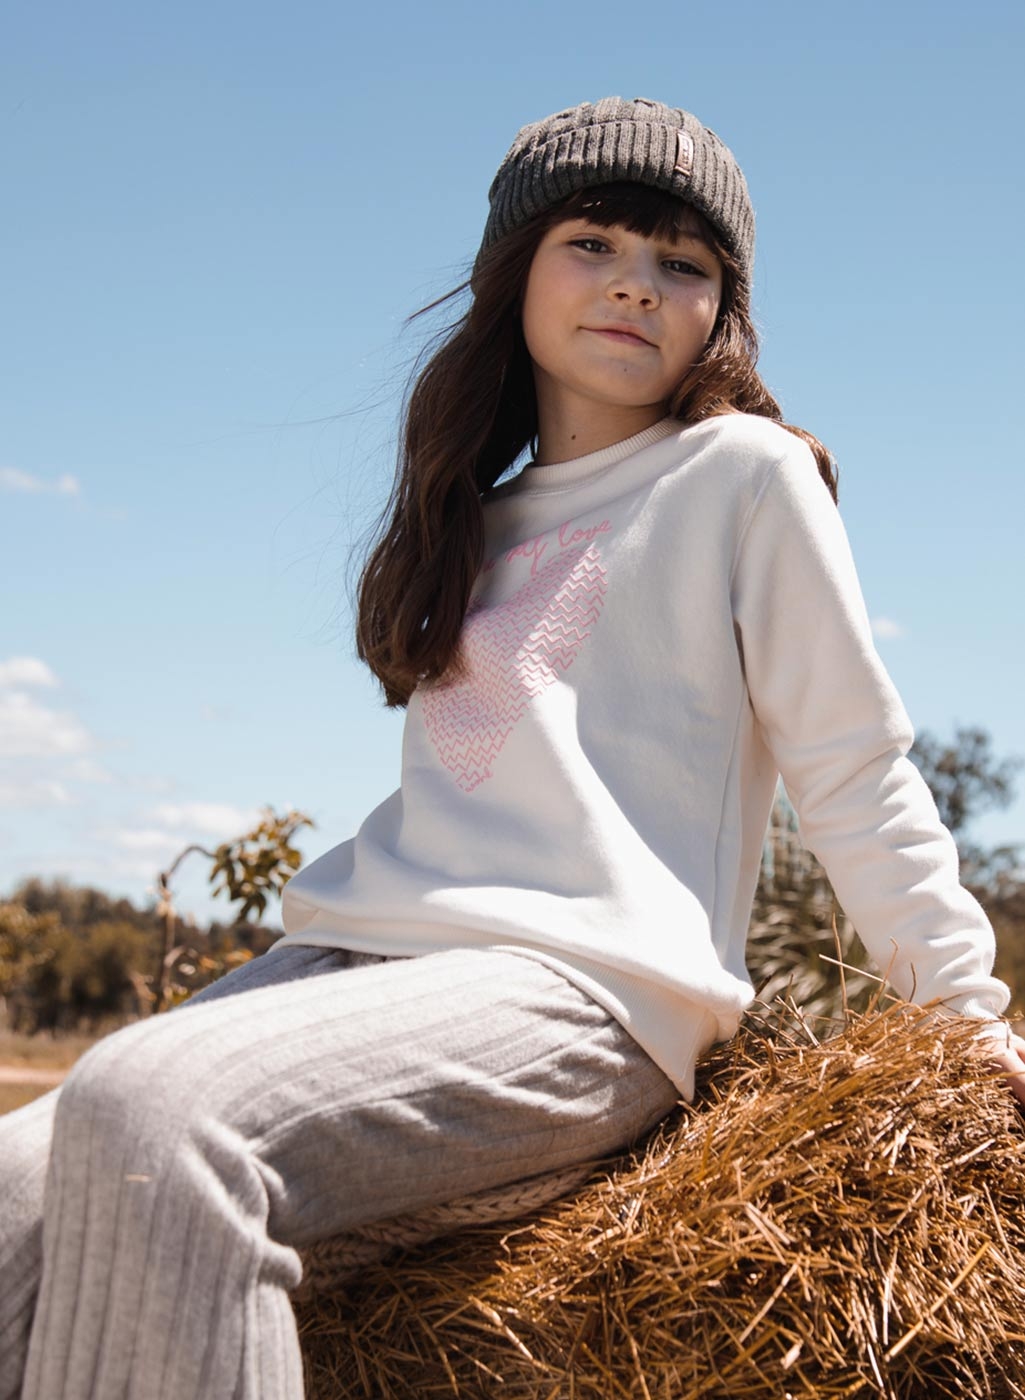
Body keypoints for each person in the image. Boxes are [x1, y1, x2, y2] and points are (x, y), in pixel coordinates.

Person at [1, 96, 1021, 1400]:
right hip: (358, 961)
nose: (636, 284)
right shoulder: (472, 520)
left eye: (682, 263)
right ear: (515, 272)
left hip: (582, 991)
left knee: (159, 1117)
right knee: (16, 1191)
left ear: (723, 308)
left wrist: (963, 1019)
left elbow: (853, 767)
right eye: (593, 243)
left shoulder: (743, 474)